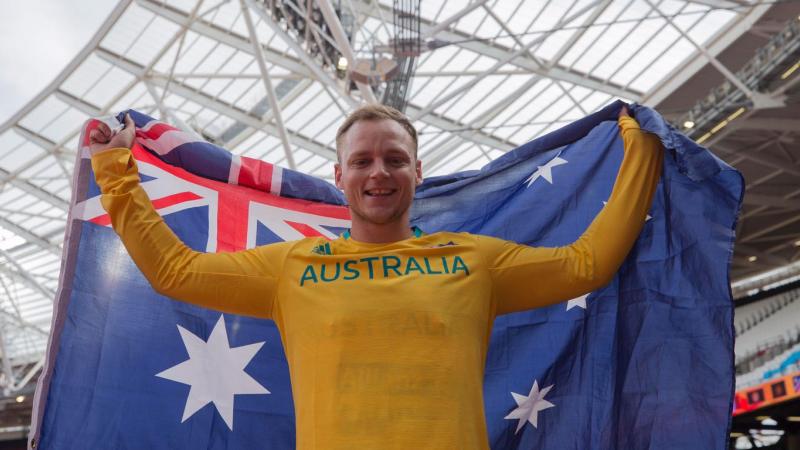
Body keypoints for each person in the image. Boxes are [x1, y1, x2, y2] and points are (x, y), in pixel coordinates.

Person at [88, 103, 662, 449]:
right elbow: (175, 270)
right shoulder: (294, 266)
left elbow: (588, 263)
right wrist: (116, 171)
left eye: (394, 158)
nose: (378, 172)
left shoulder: (472, 260)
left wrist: (644, 150)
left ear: (418, 170)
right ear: (340, 175)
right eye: (362, 161)